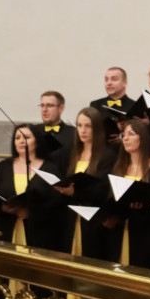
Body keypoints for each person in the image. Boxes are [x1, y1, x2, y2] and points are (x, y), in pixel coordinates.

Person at [52, 107, 115, 259]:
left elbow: (103, 190)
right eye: (79, 125)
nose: (83, 130)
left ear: (97, 129)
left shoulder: (106, 155)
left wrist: (75, 192)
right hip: (71, 217)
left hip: (93, 222)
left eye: (88, 126)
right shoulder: (73, 154)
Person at [0, 124, 62, 250]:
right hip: (6, 229)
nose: (21, 141)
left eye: (26, 137)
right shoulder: (3, 166)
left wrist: (32, 212)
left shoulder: (50, 168)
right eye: (17, 138)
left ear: (37, 142)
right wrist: (8, 208)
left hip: (39, 232)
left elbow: (57, 202)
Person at [105, 119, 150, 270]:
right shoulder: (120, 166)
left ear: (143, 137)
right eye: (123, 135)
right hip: (120, 231)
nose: (125, 138)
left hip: (146, 234)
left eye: (131, 134)